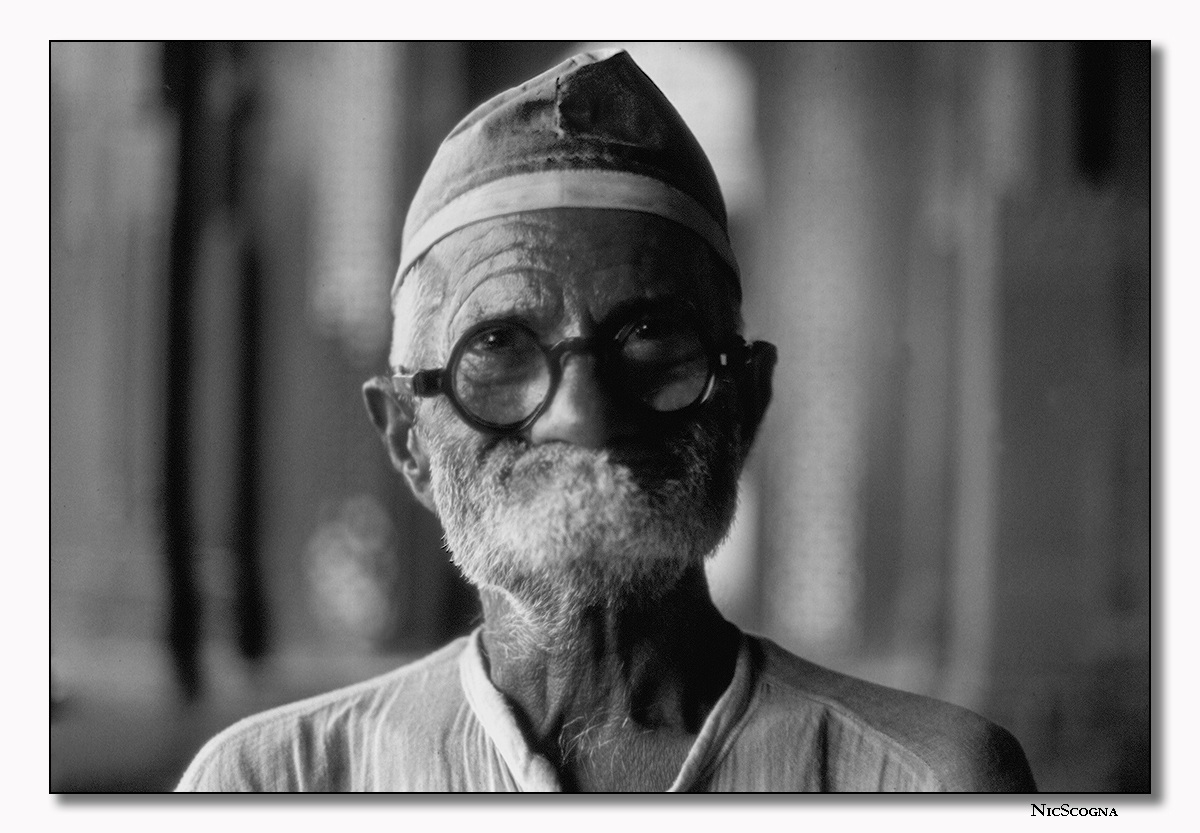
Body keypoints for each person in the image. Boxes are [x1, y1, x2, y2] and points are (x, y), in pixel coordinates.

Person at [177, 48, 1036, 793]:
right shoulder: (273, 782)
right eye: (503, 345)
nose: (586, 414)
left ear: (744, 404)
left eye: (651, 336)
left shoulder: (930, 783)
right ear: (408, 436)